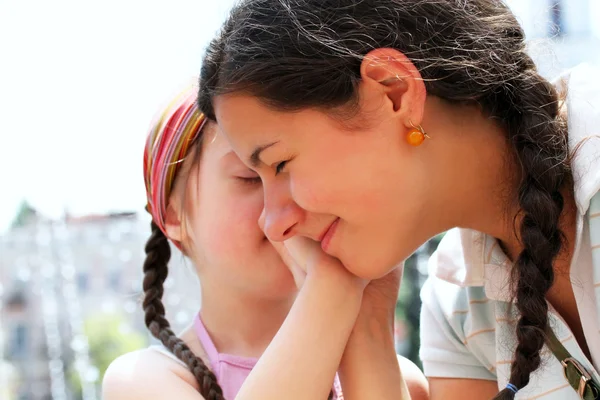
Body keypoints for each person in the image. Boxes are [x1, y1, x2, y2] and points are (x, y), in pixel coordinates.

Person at [197, 0, 600, 399]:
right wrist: (360, 319)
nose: (272, 224)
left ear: (393, 91)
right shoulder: (457, 306)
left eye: (280, 163)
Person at [101, 83, 428, 399]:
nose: (291, 200)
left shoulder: (403, 382)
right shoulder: (142, 381)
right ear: (174, 216)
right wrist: (331, 286)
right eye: (250, 176)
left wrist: (369, 319)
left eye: (291, 167)